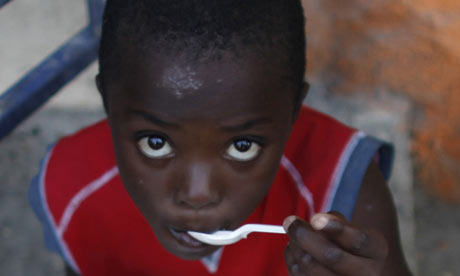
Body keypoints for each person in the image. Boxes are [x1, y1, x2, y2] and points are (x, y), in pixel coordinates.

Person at [29, 0, 412, 275]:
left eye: (242, 146)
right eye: (155, 142)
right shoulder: (70, 186)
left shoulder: (341, 191)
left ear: (294, 110)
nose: (198, 194)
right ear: (108, 102)